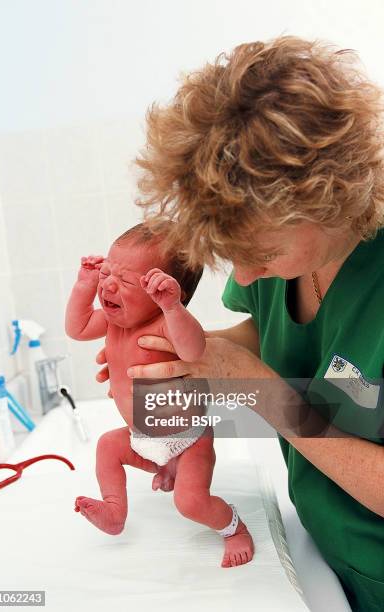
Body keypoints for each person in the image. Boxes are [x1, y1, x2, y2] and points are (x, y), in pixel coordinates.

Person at [95, 36, 384, 610]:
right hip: (328, 558)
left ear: (326, 198)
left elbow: (270, 375)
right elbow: (273, 336)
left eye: (261, 253)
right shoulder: (280, 252)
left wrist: (256, 388)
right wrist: (174, 359)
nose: (247, 277)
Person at [65, 223, 255, 567]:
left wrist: (173, 309)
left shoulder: (165, 323)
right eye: (106, 272)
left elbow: (194, 350)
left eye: (124, 282)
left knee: (190, 504)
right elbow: (76, 329)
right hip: (142, 437)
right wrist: (83, 285)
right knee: (108, 445)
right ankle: (114, 510)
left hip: (189, 441)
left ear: (162, 293)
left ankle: (234, 529)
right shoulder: (111, 322)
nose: (107, 284)